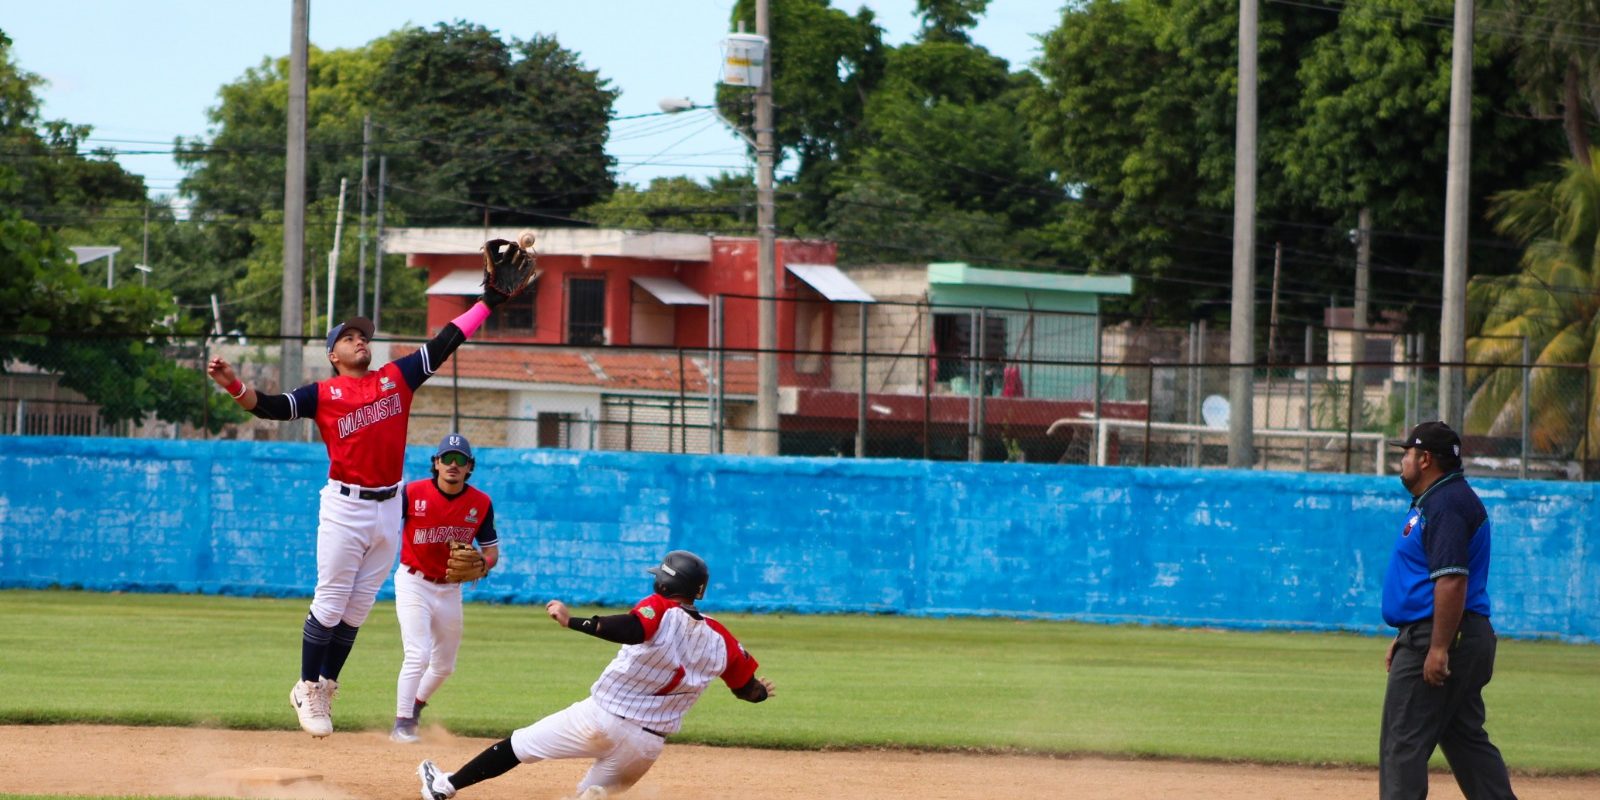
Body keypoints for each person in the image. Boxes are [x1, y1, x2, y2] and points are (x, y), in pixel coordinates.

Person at [205, 291, 506, 739]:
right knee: (330, 602)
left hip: (388, 507)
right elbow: (268, 407)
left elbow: (446, 341)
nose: (359, 340)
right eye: (348, 337)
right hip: (345, 507)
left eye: (362, 335)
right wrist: (233, 383)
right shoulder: (323, 394)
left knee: (358, 609)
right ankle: (307, 685)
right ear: (333, 355)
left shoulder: (396, 378)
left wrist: (488, 303)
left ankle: (326, 685)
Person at [416, 550, 776, 800]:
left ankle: (444, 787)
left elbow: (633, 628)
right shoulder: (722, 639)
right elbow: (747, 690)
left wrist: (572, 621)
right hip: (646, 747)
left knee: (518, 746)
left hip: (600, 719)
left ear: (666, 584)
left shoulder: (660, 609)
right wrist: (761, 693)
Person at [1380, 421, 1516, 799]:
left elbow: (1452, 580)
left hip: (1444, 638)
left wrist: (1436, 645)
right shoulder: (1441, 500)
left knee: (1402, 745)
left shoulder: (1446, 504)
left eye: (1406, 453)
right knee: (1466, 742)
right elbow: (1427, 582)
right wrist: (1406, 633)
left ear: (1425, 459)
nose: (1402, 460)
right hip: (1444, 633)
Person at [391, 433, 500, 743]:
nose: (453, 465)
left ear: (469, 467)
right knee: (418, 654)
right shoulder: (411, 493)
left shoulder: (480, 503)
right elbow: (383, 523)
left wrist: (483, 564)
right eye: (447, 458)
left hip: (450, 588)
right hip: (414, 582)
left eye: (460, 460)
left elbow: (491, 551)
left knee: (444, 665)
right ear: (436, 463)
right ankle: (401, 723)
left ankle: (414, 708)